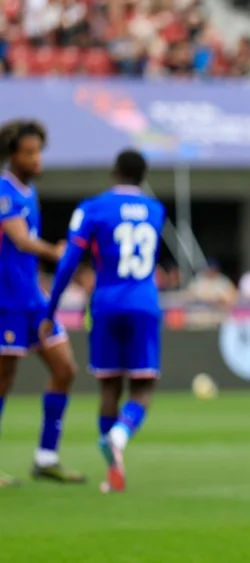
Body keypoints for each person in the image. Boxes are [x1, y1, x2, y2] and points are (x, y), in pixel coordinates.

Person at [42, 149, 165, 493]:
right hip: (144, 303)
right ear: (142, 176)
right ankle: (120, 435)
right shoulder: (156, 210)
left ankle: (113, 469)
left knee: (109, 386)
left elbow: (69, 261)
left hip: (106, 304)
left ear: (114, 171)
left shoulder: (93, 208)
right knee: (142, 387)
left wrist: (50, 310)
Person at [0, 119, 85, 487]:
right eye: (29, 153)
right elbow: (19, 240)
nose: (37, 159)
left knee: (65, 368)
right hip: (7, 302)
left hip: (35, 299)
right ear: (12, 155)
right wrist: (56, 251)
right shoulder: (4, 190)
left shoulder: (28, 191)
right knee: (4, 380)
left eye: (39, 152)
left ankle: (46, 457)